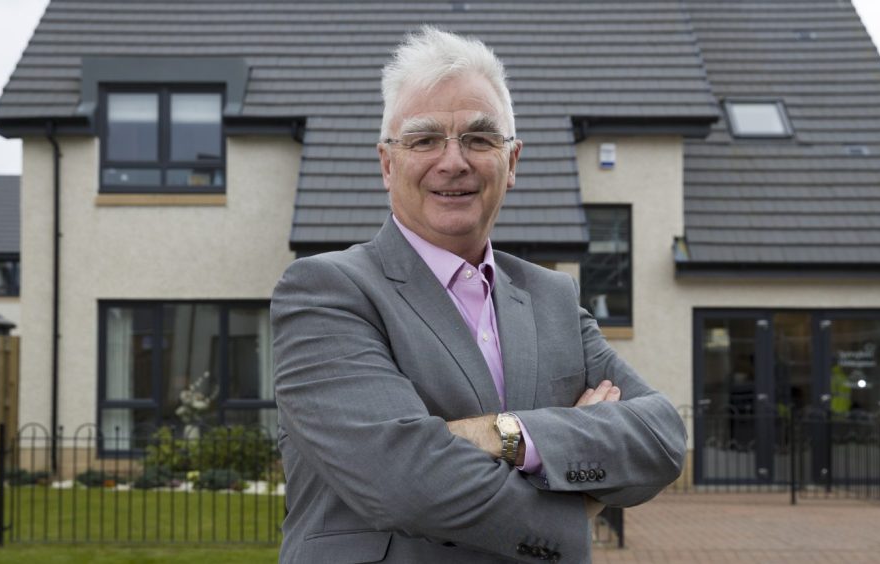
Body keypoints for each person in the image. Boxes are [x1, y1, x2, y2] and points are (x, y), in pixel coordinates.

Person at [272, 26, 686, 564]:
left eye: (479, 138)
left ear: (511, 162)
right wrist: (573, 498)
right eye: (423, 140)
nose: (454, 162)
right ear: (386, 163)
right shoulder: (326, 291)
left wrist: (504, 433)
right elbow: (401, 479)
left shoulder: (553, 297)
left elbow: (660, 437)